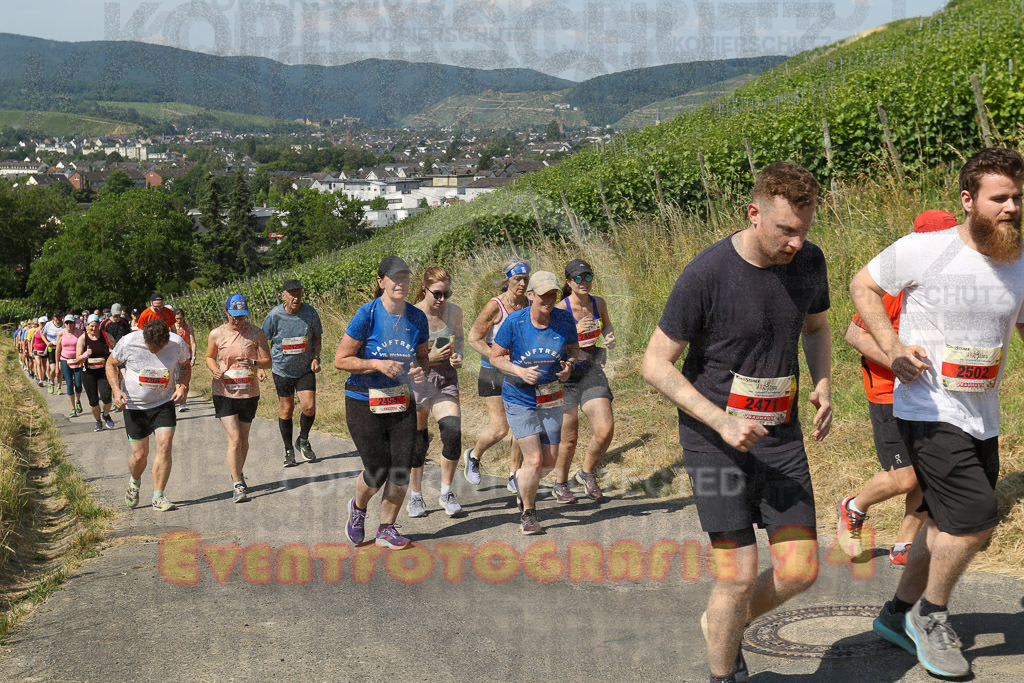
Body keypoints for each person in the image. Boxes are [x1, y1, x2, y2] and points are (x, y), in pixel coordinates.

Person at [642, 162, 832, 683]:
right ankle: (723, 673)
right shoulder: (707, 274)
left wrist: (822, 381)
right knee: (737, 576)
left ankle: (721, 624)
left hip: (780, 436)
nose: (796, 242)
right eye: (785, 230)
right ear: (754, 214)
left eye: (804, 229)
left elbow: (816, 327)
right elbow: (654, 363)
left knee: (800, 570)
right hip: (713, 442)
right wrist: (721, 421)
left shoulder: (809, 261)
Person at [853, 148, 1024, 679]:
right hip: (927, 407)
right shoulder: (923, 249)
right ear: (968, 200)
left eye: (1018, 197)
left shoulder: (1019, 260)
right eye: (1000, 198)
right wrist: (892, 347)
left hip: (981, 413)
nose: (1012, 207)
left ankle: (896, 613)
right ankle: (930, 615)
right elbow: (863, 286)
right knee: (974, 518)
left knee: (941, 521)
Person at [837, 210, 957, 567]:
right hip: (888, 392)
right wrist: (897, 361)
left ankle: (905, 543)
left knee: (927, 471)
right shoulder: (895, 283)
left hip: (933, 392)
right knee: (905, 477)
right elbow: (854, 334)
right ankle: (854, 506)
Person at [335, 256, 429, 550]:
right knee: (376, 470)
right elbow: (341, 360)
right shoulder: (368, 314)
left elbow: (422, 358)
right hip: (364, 400)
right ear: (381, 281)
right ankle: (358, 507)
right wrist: (376, 364)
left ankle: (386, 528)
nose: (400, 283)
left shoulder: (417, 317)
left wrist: (419, 370)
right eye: (394, 278)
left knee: (401, 470)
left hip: (401, 399)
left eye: (405, 277)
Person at [491, 270, 579, 534]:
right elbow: (496, 357)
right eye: (543, 295)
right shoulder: (515, 322)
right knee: (534, 459)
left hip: (551, 396)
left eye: (553, 294)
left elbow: (573, 350)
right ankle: (528, 513)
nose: (549, 300)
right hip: (520, 397)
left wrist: (569, 367)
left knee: (549, 462)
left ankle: (523, 482)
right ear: (530, 295)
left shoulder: (564, 320)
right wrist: (519, 371)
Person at [108, 319, 191, 512]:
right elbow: (111, 364)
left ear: (166, 340)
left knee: (165, 446)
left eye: (158, 347)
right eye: (150, 346)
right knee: (140, 455)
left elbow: (185, 366)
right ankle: (134, 481)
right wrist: (116, 390)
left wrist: (182, 387)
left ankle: (158, 497)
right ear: (144, 338)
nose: (154, 351)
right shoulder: (129, 342)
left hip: (163, 403)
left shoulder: (177, 343)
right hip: (134, 406)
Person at [552, 258, 616, 503]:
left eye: (588, 276)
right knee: (569, 439)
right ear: (569, 282)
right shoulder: (560, 309)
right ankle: (560, 484)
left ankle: (586, 472)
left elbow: (607, 325)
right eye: (578, 278)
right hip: (566, 375)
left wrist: (609, 336)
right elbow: (552, 345)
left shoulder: (598, 303)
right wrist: (576, 333)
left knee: (605, 429)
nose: (584, 282)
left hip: (591, 370)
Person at [464, 259, 529, 492]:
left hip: (518, 372)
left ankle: (514, 474)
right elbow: (474, 338)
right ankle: (473, 456)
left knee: (521, 426)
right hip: (493, 371)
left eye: (525, 279)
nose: (522, 284)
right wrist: (497, 356)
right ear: (507, 280)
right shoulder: (495, 306)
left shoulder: (529, 304)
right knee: (501, 428)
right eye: (517, 279)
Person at [407, 267, 465, 518]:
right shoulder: (411, 315)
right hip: (418, 379)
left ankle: (446, 492)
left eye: (446, 294)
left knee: (452, 433)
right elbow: (401, 354)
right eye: (437, 294)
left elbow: (459, 339)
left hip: (445, 378)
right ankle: (416, 496)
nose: (442, 299)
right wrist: (427, 359)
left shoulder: (455, 312)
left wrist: (458, 356)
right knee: (419, 441)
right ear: (424, 290)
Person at [206, 294, 272, 503]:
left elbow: (267, 361)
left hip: (248, 392)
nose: (238, 320)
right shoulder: (216, 334)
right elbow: (209, 357)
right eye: (234, 316)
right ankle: (237, 484)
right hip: (224, 391)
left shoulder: (256, 333)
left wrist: (254, 364)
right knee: (234, 438)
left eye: (242, 316)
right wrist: (215, 369)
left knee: (243, 439)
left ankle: (238, 472)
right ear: (227, 313)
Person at [261, 279, 323, 467]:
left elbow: (317, 337)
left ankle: (303, 440)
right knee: (286, 409)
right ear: (283, 296)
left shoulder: (310, 313)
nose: (296, 298)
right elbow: (262, 341)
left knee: (309, 407)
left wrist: (316, 357)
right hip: (282, 369)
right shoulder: (274, 316)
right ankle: (288, 451)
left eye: (299, 294)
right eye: (292, 294)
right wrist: (261, 366)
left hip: (305, 368)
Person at [76, 314, 116, 432]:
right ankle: (98, 421)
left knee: (107, 398)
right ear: (87, 326)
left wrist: (114, 361)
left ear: (99, 325)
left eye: (96, 326)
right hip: (88, 373)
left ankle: (106, 414)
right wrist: (85, 354)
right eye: (91, 326)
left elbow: (116, 349)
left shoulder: (106, 336)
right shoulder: (83, 338)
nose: (93, 329)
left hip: (103, 371)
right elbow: (78, 358)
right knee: (93, 401)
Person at [56, 314, 84, 417]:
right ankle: (73, 409)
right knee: (69, 384)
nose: (69, 325)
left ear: (74, 323)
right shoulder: (61, 334)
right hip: (65, 360)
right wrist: (57, 366)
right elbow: (57, 350)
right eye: (67, 323)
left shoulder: (79, 333)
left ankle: (77, 400)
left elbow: (84, 346)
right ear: (64, 324)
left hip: (77, 360)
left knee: (78, 384)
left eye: (70, 322)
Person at [172, 308, 197, 412]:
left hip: (187, 356)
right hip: (176, 357)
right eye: (177, 318)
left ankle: (183, 400)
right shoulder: (172, 328)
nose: (179, 321)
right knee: (178, 379)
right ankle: (181, 402)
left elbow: (193, 342)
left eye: (181, 318)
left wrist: (193, 357)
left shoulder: (188, 327)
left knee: (186, 379)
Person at [42, 311, 63, 394]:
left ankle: (59, 387)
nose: (58, 319)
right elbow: (42, 334)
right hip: (52, 349)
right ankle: (51, 382)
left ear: (62, 317)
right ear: (53, 318)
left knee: (60, 369)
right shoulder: (48, 325)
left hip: (61, 349)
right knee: (53, 369)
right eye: (56, 317)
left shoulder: (64, 326)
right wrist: (47, 342)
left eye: (59, 317)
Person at [31, 317, 48, 387]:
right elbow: (32, 340)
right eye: (41, 323)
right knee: (38, 363)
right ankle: (40, 379)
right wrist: (31, 350)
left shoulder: (46, 330)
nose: (42, 324)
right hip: (36, 349)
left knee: (44, 365)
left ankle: (42, 379)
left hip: (44, 350)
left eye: (43, 323)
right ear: (38, 323)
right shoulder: (35, 330)